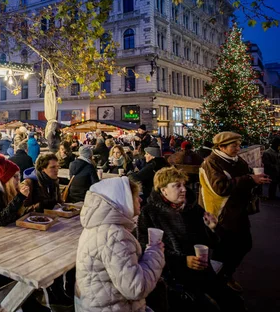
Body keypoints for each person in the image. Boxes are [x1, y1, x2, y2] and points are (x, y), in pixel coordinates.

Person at [138, 167, 244, 312]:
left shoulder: (192, 208)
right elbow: (146, 247)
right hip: (173, 276)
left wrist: (213, 228)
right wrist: (183, 260)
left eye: (183, 185)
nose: (183, 189)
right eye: (177, 185)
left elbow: (214, 243)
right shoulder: (150, 212)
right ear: (163, 190)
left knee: (234, 302)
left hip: (202, 269)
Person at [75, 177, 165, 311]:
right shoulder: (114, 236)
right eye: (134, 197)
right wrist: (155, 253)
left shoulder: (99, 227)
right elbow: (135, 288)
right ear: (122, 201)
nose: (140, 200)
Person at [200, 131, 271, 292]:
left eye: (239, 145)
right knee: (222, 250)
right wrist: (249, 179)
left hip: (238, 212)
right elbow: (220, 187)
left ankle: (224, 276)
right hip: (221, 214)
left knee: (244, 244)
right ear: (222, 147)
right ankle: (214, 283)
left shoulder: (236, 160)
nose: (238, 148)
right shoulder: (211, 163)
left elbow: (244, 177)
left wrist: (255, 179)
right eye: (234, 146)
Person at [0, 155, 49, 312]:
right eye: (16, 177)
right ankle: (31, 306)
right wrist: (19, 198)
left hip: (7, 242)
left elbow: (14, 217)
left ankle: (33, 302)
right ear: (6, 179)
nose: (19, 180)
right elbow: (0, 219)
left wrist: (33, 207)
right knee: (22, 267)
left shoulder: (8, 192)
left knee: (37, 259)